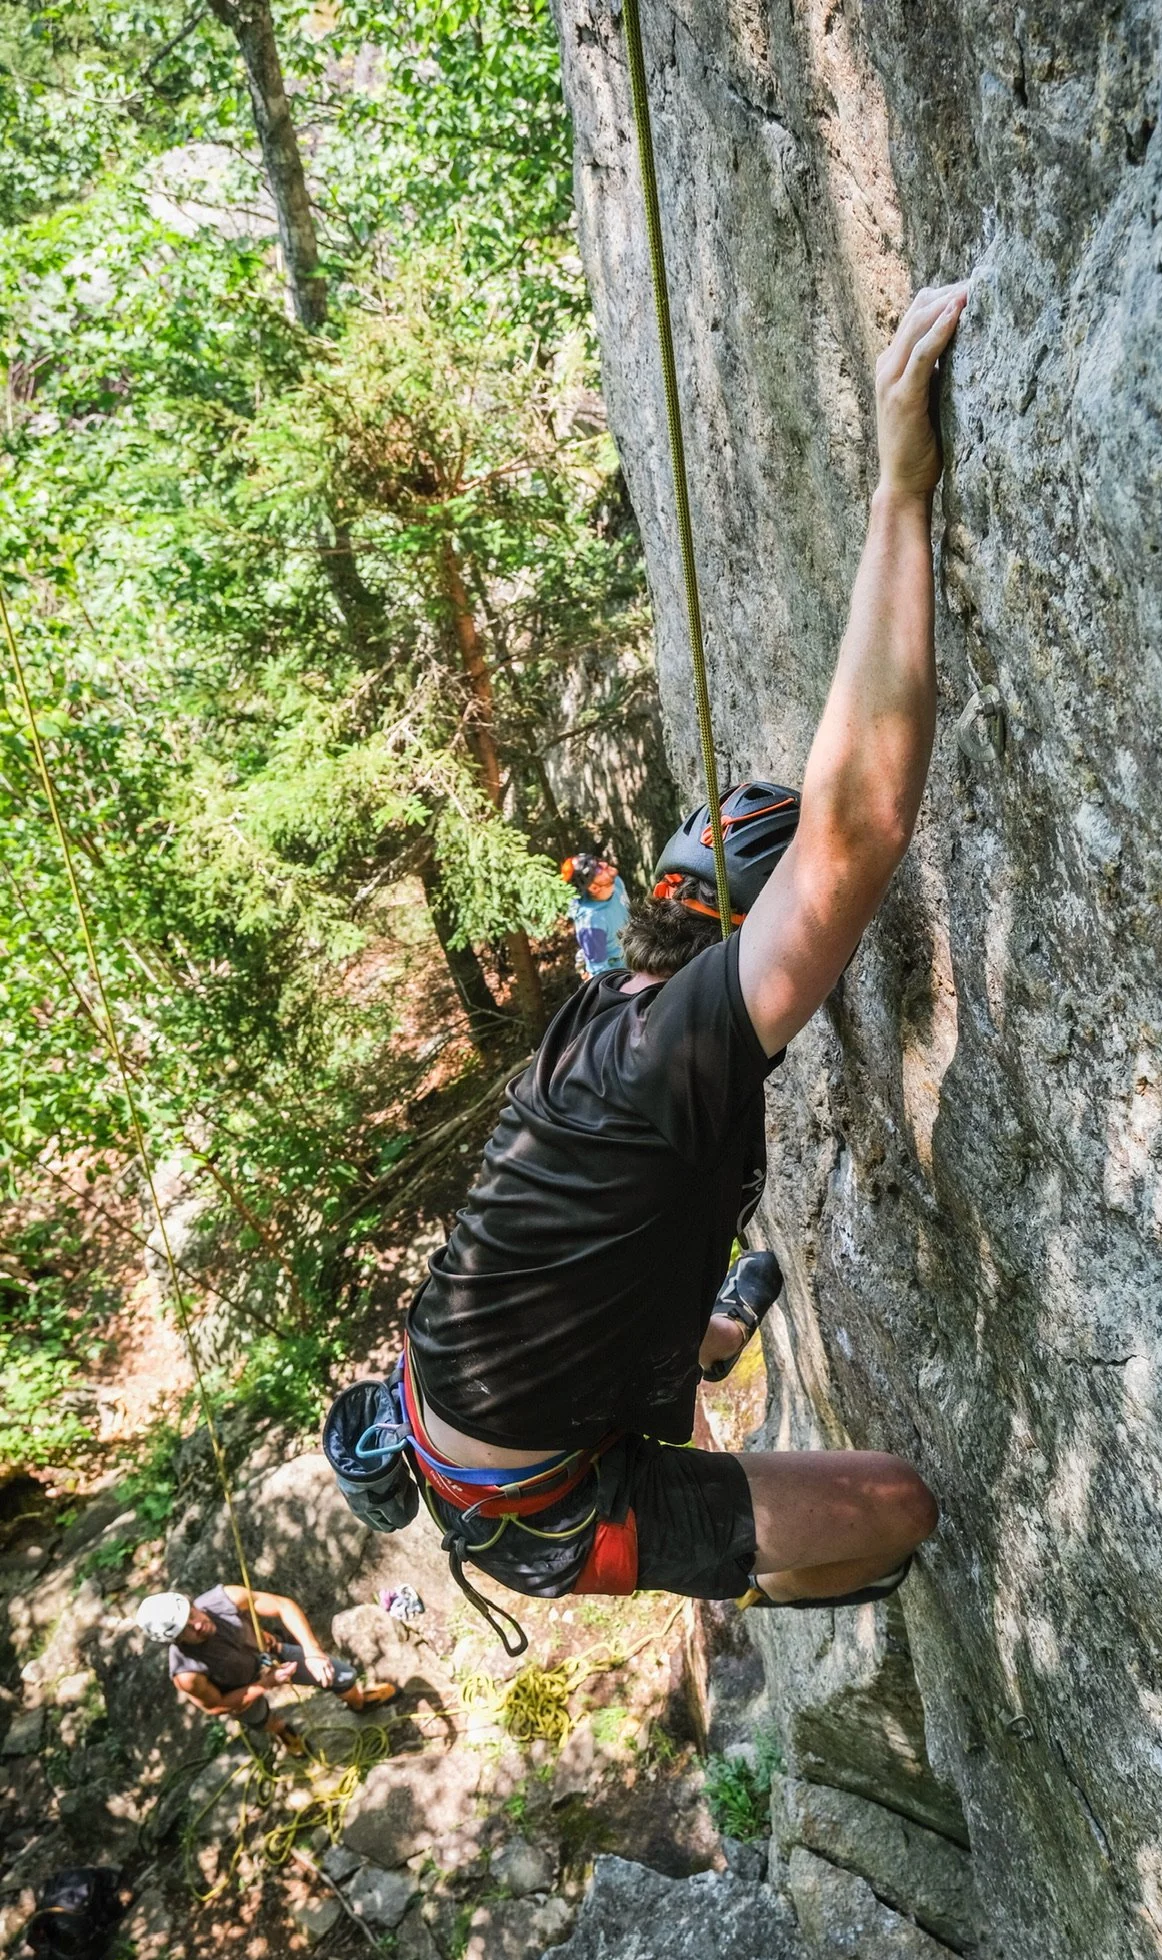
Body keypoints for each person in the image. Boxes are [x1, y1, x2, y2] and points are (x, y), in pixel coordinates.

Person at [366, 281, 969, 1636]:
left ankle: (704, 1360)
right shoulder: (660, 1058)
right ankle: (741, 1577)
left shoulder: (606, 1009)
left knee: (706, 1336)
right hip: (542, 1508)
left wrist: (725, 1307)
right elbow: (855, 831)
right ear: (730, 946)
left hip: (493, 1411)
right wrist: (899, 493)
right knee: (894, 1519)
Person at [136, 1587, 396, 1754]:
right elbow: (216, 1706)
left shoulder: (223, 1600)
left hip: (270, 1654)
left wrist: (312, 1650)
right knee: (261, 1719)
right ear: (177, 1640)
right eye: (187, 1629)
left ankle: (359, 1702)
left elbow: (282, 1605)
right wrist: (265, 1684)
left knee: (341, 1675)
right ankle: (283, 1732)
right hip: (237, 1690)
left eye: (192, 1614)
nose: (198, 1625)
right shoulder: (187, 1673)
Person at [561, 852, 631, 977]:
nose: (604, 864)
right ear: (593, 888)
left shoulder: (615, 882)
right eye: (598, 869)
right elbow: (599, 972)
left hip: (638, 950)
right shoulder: (592, 922)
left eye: (598, 861)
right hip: (623, 973)